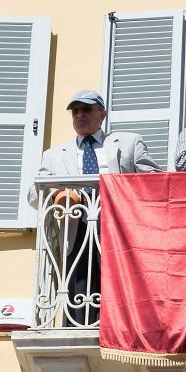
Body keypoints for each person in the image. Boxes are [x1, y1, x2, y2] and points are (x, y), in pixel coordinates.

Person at [32, 90, 162, 327]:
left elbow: (153, 180)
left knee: (121, 280)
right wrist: (59, 194)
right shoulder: (53, 156)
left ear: (102, 114)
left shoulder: (128, 142)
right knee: (79, 283)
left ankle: (124, 329)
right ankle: (78, 328)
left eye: (87, 109)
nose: (80, 115)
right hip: (78, 223)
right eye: (75, 111)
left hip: (119, 223)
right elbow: (34, 195)